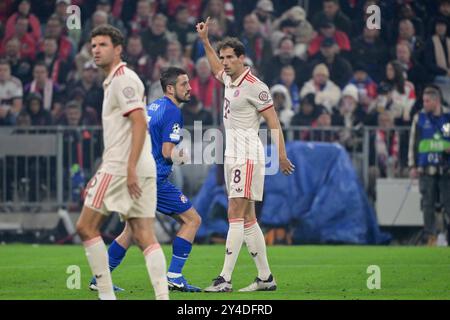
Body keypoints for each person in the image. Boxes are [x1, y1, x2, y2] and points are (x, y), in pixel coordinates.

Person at [196, 17, 295, 292]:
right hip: (232, 154)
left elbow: (274, 123)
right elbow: (215, 67)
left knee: (235, 212)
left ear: (242, 58)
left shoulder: (256, 86)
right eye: (223, 57)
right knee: (248, 218)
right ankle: (265, 278)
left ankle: (224, 278)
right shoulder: (228, 78)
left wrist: (282, 156)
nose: (224, 62)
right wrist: (205, 41)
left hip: (247, 155)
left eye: (229, 57)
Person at [75, 24, 168, 300]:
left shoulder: (122, 79)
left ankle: (105, 295)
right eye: (93, 46)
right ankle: (163, 297)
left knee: (85, 227)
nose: (96, 50)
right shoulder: (117, 79)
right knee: (143, 235)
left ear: (118, 49)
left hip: (121, 166)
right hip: (138, 166)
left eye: (102, 45)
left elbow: (139, 122)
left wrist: (128, 168)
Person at [89, 67, 202, 293]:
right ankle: (174, 275)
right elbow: (168, 151)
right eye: (184, 84)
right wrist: (182, 156)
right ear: (170, 88)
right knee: (192, 220)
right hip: (153, 179)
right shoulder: (172, 111)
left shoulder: (155, 106)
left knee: (131, 231)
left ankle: (99, 279)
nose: (190, 88)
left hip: (138, 174)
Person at [408, 86, 450, 246]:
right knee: (427, 204)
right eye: (423, 100)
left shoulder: (447, 117)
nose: (424, 104)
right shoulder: (420, 118)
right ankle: (430, 238)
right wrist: (412, 165)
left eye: (427, 101)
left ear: (436, 101)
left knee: (448, 204)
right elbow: (414, 142)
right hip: (426, 168)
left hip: (446, 169)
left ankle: (447, 236)